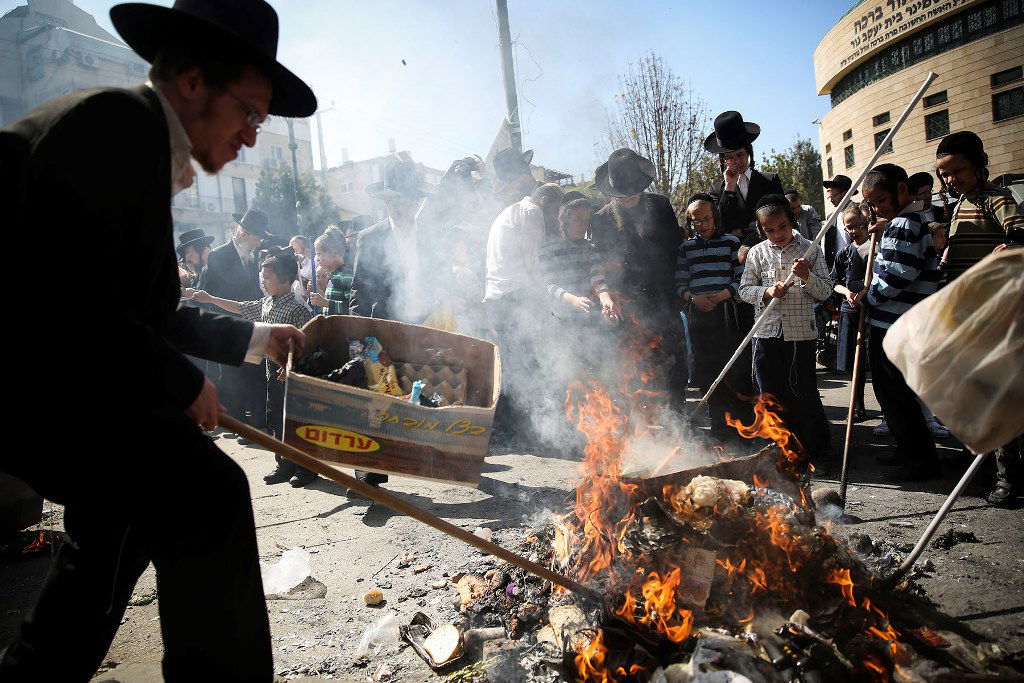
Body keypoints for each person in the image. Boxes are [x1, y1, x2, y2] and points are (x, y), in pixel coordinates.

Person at [0, 0, 314, 679]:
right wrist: (181, 383)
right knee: (208, 492)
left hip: (54, 378)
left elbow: (152, 311)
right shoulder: (116, 126)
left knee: (118, 524)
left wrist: (258, 338)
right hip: (25, 374)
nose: (253, 137)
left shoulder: (140, 144)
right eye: (250, 113)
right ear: (195, 82)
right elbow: (72, 294)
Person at [934, 130, 1024, 506]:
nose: (951, 179)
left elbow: (1018, 232)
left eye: (958, 171)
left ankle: (1009, 479)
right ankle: (983, 470)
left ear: (979, 166)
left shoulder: (995, 198)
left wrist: (1013, 246)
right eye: (945, 174)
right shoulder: (956, 204)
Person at [193, 249, 316, 487]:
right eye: (262, 276)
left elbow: (307, 343)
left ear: (286, 279)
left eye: (268, 277)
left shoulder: (298, 309)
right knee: (276, 421)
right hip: (272, 375)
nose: (263, 281)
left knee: (296, 424)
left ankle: (306, 469)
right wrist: (210, 299)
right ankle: (284, 464)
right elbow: (241, 307)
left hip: (293, 379)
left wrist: (291, 366)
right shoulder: (266, 303)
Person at [851, 163, 942, 482]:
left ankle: (921, 460)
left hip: (899, 325)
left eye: (879, 200)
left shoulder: (905, 223)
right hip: (891, 322)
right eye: (871, 204)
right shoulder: (900, 222)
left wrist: (867, 297)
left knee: (897, 394)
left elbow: (900, 274)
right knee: (891, 394)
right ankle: (908, 450)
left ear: (901, 189)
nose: (876, 208)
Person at [590, 149, 687, 413]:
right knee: (634, 369)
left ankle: (677, 422)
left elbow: (676, 249)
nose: (629, 199)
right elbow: (599, 263)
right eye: (623, 194)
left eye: (633, 192)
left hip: (665, 300)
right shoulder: (600, 219)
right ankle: (641, 428)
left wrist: (680, 291)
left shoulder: (661, 205)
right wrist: (607, 296)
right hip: (628, 306)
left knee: (675, 365)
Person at [738, 195, 833, 459]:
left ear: (792, 221)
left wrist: (806, 276)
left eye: (782, 226)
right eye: (769, 230)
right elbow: (744, 290)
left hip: (800, 333)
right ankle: (777, 451)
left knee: (803, 392)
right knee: (769, 394)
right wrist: (767, 291)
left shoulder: (810, 250)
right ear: (761, 230)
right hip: (766, 334)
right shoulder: (757, 252)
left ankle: (815, 449)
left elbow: (825, 291)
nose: (778, 234)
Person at [484, 182, 565, 443]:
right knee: (525, 364)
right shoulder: (531, 213)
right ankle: (521, 430)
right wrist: (546, 302)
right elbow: (533, 263)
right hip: (517, 298)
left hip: (497, 298)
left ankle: (507, 427)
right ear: (545, 201)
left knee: (508, 363)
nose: (553, 218)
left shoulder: (507, 212)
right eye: (554, 211)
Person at [676, 193, 751, 435]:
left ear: (714, 217)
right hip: (699, 316)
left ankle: (740, 426)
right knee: (707, 370)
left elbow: (742, 279)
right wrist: (693, 298)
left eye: (706, 219)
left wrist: (719, 297)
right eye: (696, 221)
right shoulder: (686, 248)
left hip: (727, 314)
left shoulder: (730, 243)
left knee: (732, 368)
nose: (702, 224)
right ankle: (718, 424)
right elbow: (679, 284)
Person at [199, 207, 276, 439]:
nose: (258, 243)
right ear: (244, 234)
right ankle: (239, 423)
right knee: (233, 376)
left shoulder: (252, 258)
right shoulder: (218, 256)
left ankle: (257, 422)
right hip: (227, 325)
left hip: (251, 323)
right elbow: (209, 294)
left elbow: (252, 290)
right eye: (257, 238)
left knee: (253, 373)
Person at [350, 156, 440, 324]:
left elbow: (442, 277)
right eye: (397, 204)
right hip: (388, 327)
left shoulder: (432, 235)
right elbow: (360, 293)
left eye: (409, 203)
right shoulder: (370, 238)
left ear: (417, 201)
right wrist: (359, 338)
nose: (403, 210)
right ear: (386, 202)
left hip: (429, 323)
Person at [705, 111, 784, 260]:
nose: (736, 162)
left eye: (740, 155)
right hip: (732, 260)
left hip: (770, 253)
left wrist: (742, 230)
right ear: (723, 160)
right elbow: (721, 225)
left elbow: (778, 217)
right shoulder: (716, 190)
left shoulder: (770, 181)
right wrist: (729, 186)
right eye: (729, 158)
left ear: (748, 153)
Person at [830, 203, 872, 422]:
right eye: (849, 227)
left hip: (870, 311)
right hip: (849, 310)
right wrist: (847, 293)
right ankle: (857, 405)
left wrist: (865, 292)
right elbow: (834, 282)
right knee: (853, 363)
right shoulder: (843, 253)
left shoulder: (876, 249)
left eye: (859, 226)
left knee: (870, 360)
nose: (854, 231)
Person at [309, 226, 353, 316]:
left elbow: (351, 308)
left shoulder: (346, 276)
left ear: (332, 252)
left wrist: (326, 303)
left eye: (318, 254)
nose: (317, 259)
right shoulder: (332, 277)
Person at [822, 174, 856, 268]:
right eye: (829, 197)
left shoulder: (859, 211)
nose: (831, 200)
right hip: (839, 266)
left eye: (833, 196)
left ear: (844, 193)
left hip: (856, 263)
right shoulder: (832, 218)